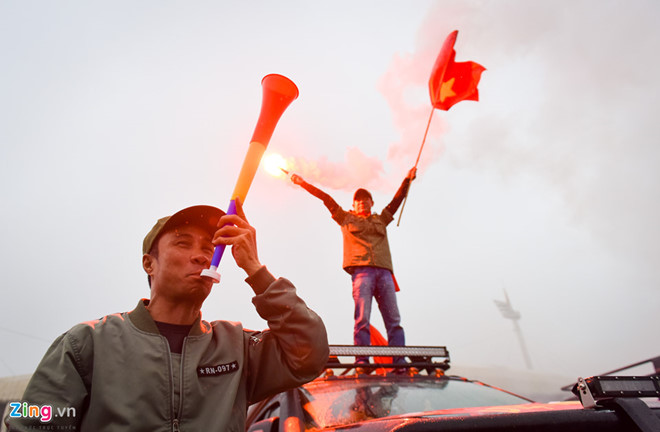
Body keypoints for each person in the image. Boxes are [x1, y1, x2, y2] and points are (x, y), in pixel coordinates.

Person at [4, 200, 329, 431]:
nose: (201, 255)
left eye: (208, 246)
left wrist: (256, 270)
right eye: (183, 243)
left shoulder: (236, 347)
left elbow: (309, 354)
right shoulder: (86, 343)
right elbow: (31, 421)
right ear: (149, 264)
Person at [291, 168, 416, 365]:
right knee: (362, 319)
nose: (362, 202)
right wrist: (302, 183)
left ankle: (399, 361)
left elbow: (397, 201)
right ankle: (362, 360)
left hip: (384, 273)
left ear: (372, 202)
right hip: (362, 273)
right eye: (358, 200)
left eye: (366, 199)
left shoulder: (381, 219)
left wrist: (407, 180)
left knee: (394, 320)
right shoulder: (345, 219)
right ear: (353, 204)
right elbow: (326, 198)